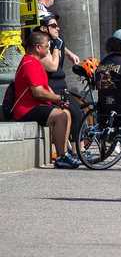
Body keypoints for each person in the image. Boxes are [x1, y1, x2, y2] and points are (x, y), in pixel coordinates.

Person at [11, 32, 78, 169]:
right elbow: (38, 92)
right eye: (47, 46)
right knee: (61, 116)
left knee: (66, 112)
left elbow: (46, 87)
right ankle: (61, 157)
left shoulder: (35, 62)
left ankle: (64, 153)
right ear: (37, 47)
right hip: (26, 109)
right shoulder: (30, 63)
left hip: (35, 105)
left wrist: (58, 101)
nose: (49, 49)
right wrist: (58, 98)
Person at [37, 14, 81, 152]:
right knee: (74, 112)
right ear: (44, 29)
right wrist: (56, 48)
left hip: (62, 85)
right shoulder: (42, 47)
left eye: (57, 25)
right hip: (51, 87)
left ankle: (79, 150)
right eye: (53, 26)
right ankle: (77, 151)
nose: (58, 28)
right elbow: (52, 67)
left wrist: (69, 54)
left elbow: (61, 43)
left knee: (78, 111)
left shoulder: (57, 41)